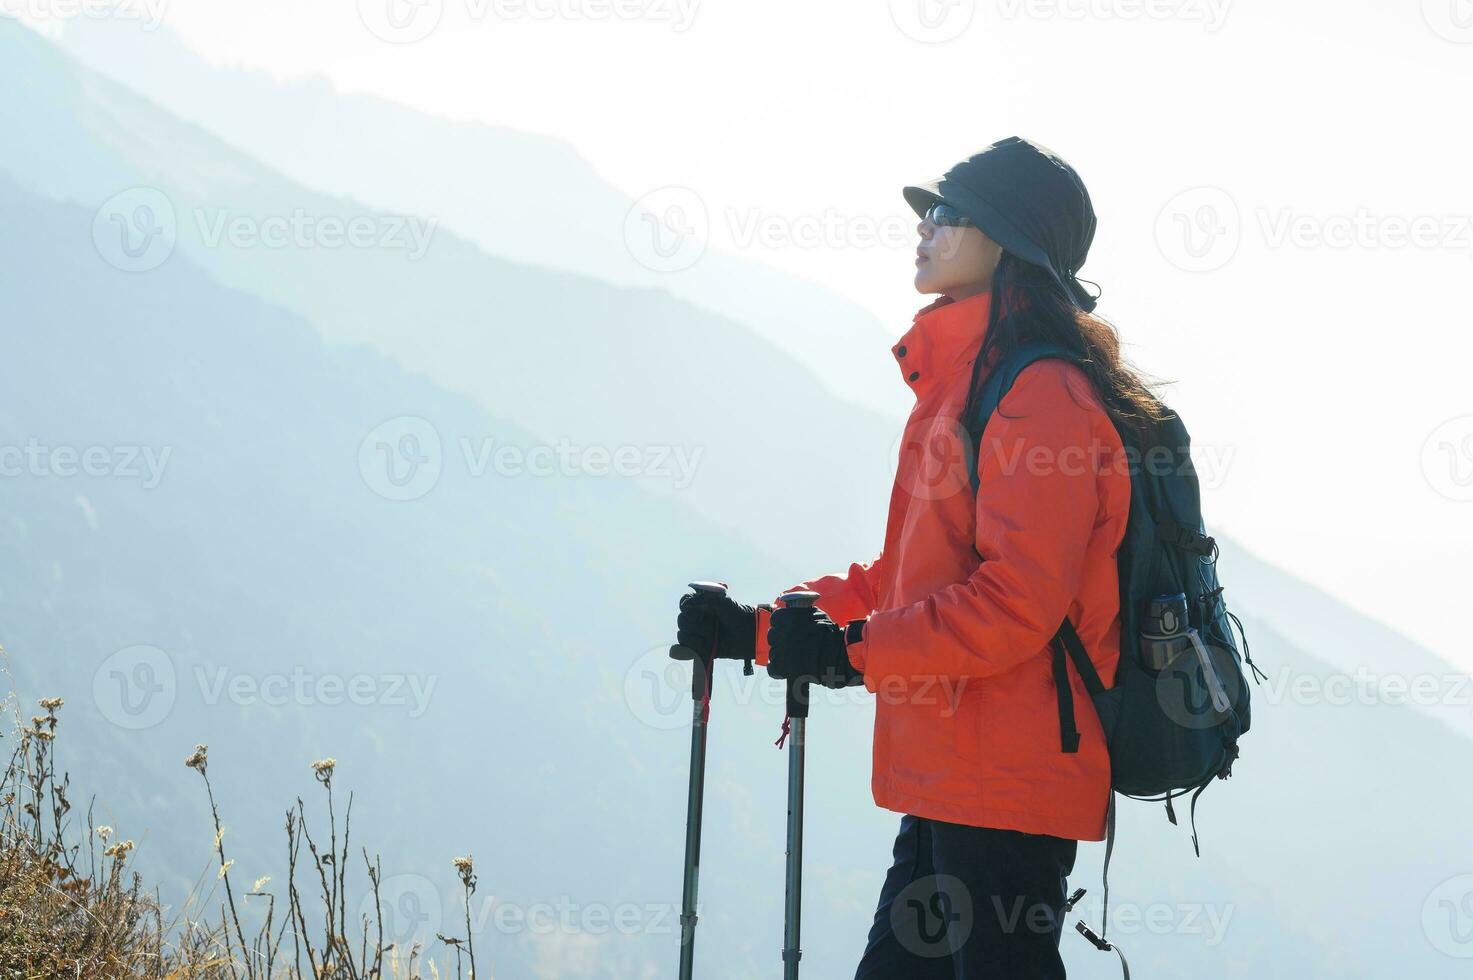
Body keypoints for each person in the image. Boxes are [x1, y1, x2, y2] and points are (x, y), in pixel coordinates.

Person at [673, 136, 1168, 978]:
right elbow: (910, 581)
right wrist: (763, 630)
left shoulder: (1037, 394)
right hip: (957, 778)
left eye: (948, 213)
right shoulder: (968, 382)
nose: (923, 226)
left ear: (1008, 240)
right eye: (924, 211)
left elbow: (1015, 603)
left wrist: (844, 653)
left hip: (1007, 788)